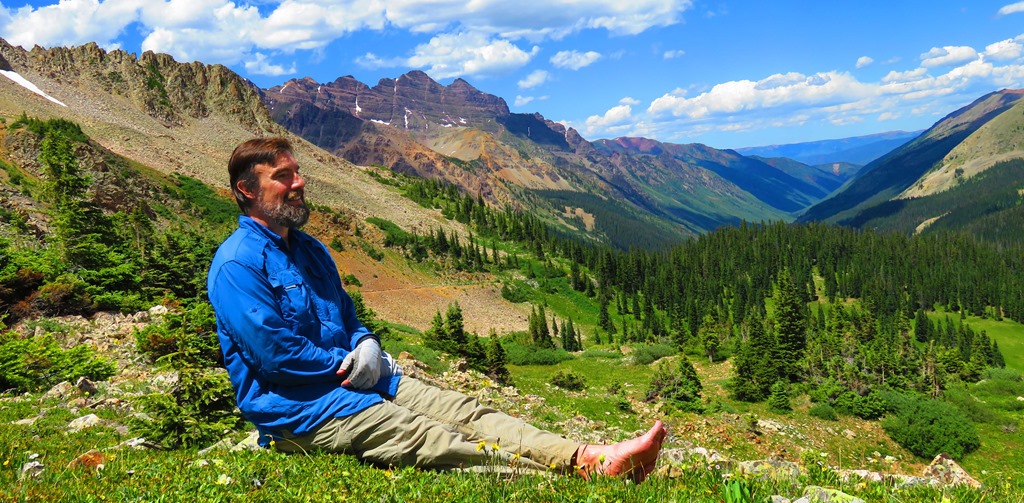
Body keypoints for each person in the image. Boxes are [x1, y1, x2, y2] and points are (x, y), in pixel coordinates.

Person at [207, 137, 667, 481]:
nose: (299, 182)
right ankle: (571, 481)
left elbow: (344, 316)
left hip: (364, 378)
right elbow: (275, 355)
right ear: (247, 191)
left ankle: (589, 457)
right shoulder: (236, 265)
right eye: (283, 176)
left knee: (466, 411)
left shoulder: (311, 249)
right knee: (428, 435)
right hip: (303, 412)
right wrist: (348, 365)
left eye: (298, 172)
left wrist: (365, 342)